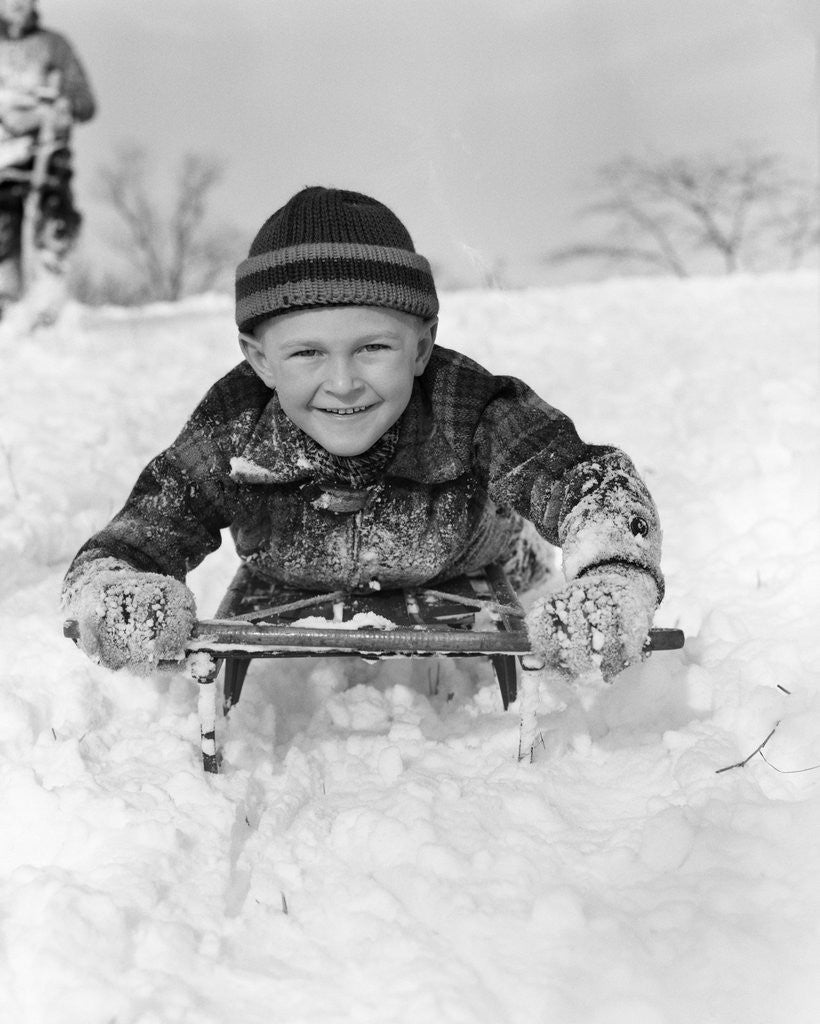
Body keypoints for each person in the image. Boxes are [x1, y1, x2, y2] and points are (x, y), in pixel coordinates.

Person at [62, 186, 664, 684]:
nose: (344, 383)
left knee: (526, 561)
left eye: (374, 348)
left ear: (421, 347)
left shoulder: (467, 405)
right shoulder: (234, 426)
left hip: (462, 553)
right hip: (294, 568)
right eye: (307, 353)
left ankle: (526, 559)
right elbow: (129, 541)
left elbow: (589, 481)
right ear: (261, 361)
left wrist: (612, 574)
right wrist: (119, 592)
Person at [0, 0, 95, 307]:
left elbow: (85, 102)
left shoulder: (54, 46)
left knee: (54, 224)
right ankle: (6, 304)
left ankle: (49, 301)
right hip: (3, 159)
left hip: (48, 155)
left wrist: (63, 105)